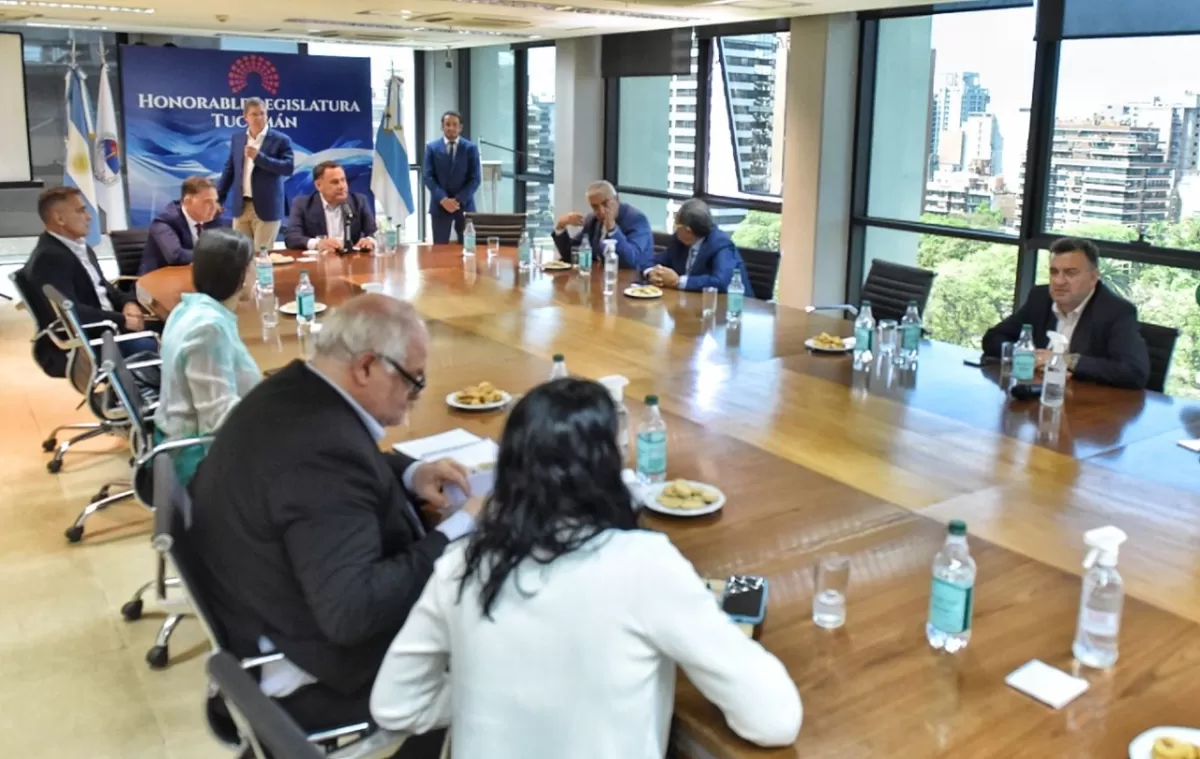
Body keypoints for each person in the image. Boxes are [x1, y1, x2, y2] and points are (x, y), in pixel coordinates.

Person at [370, 378, 802, 758]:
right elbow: (775, 719)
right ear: (608, 470)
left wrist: (490, 690)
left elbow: (394, 704)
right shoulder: (645, 566)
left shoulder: (461, 564)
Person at [188, 294, 478, 757]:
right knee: (493, 652)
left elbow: (347, 458)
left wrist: (410, 472)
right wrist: (460, 528)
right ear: (366, 367)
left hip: (262, 612)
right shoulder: (323, 457)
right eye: (413, 380)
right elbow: (351, 613)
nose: (416, 395)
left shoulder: (292, 393)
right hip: (311, 666)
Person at [153, 228, 260, 485]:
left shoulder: (187, 308)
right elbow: (217, 419)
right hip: (199, 462)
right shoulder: (209, 329)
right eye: (254, 264)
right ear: (241, 274)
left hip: (185, 442)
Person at [982, 237, 1150, 389]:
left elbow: (1135, 372)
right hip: (1037, 393)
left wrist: (1065, 360)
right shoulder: (1040, 298)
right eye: (1054, 272)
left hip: (1089, 404)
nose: (1059, 281)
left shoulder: (1116, 311)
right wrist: (1030, 357)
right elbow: (993, 338)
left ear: (1094, 277)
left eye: (1070, 273)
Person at [22, 186, 157, 370]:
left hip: (107, 327)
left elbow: (103, 287)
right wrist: (121, 320)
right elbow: (71, 313)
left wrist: (128, 302)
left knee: (169, 329)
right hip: (91, 342)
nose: (89, 217)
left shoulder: (78, 247)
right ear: (60, 219)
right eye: (81, 211)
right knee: (165, 344)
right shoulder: (49, 258)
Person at [217, 97, 294, 250]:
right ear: (245, 117)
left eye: (262, 113)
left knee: (262, 256)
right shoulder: (238, 139)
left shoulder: (280, 140)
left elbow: (287, 168)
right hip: (241, 207)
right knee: (240, 255)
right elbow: (230, 169)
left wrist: (259, 158)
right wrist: (219, 198)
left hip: (267, 207)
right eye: (254, 114)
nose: (259, 118)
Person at [645, 198, 754, 296]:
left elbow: (720, 282)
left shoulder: (721, 245)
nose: (675, 229)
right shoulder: (679, 241)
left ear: (688, 230)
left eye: (676, 225)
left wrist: (678, 281)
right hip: (689, 303)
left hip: (734, 306)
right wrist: (651, 273)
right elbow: (653, 261)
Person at [552, 180, 654, 270]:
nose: (601, 211)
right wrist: (561, 226)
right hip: (601, 278)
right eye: (595, 207)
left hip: (635, 280)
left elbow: (630, 261)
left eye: (605, 204)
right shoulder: (592, 220)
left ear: (617, 200)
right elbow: (571, 254)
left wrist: (612, 229)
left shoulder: (637, 220)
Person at [282, 161, 377, 252]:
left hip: (351, 260)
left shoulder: (359, 201)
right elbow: (291, 237)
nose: (342, 186)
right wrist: (318, 244)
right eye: (335, 182)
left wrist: (369, 240)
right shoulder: (302, 204)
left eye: (343, 180)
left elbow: (374, 232)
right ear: (318, 185)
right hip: (318, 261)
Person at [138, 176, 225, 275]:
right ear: (187, 202)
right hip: (158, 279)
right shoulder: (164, 222)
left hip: (194, 276)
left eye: (215, 201)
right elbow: (176, 256)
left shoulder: (212, 217)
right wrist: (213, 255)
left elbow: (222, 246)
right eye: (207, 202)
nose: (214, 207)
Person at [422, 110, 480, 244]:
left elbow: (475, 179)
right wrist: (443, 200)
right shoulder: (431, 148)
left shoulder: (470, 148)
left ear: (460, 127)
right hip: (439, 205)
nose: (451, 128)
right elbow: (428, 177)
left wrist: (457, 200)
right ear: (442, 126)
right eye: (447, 124)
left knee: (468, 247)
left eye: (455, 125)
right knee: (440, 250)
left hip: (464, 205)